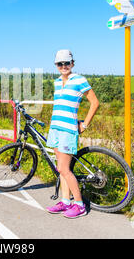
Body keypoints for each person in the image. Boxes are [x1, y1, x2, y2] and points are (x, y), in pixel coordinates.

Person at [46, 49, 99, 218]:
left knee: (64, 168)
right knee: (61, 169)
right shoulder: (56, 82)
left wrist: (85, 124)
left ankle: (79, 205)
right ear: (56, 65)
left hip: (69, 130)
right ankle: (65, 201)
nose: (63, 66)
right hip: (55, 127)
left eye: (66, 63)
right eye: (60, 63)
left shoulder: (79, 80)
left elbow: (95, 102)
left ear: (72, 63)